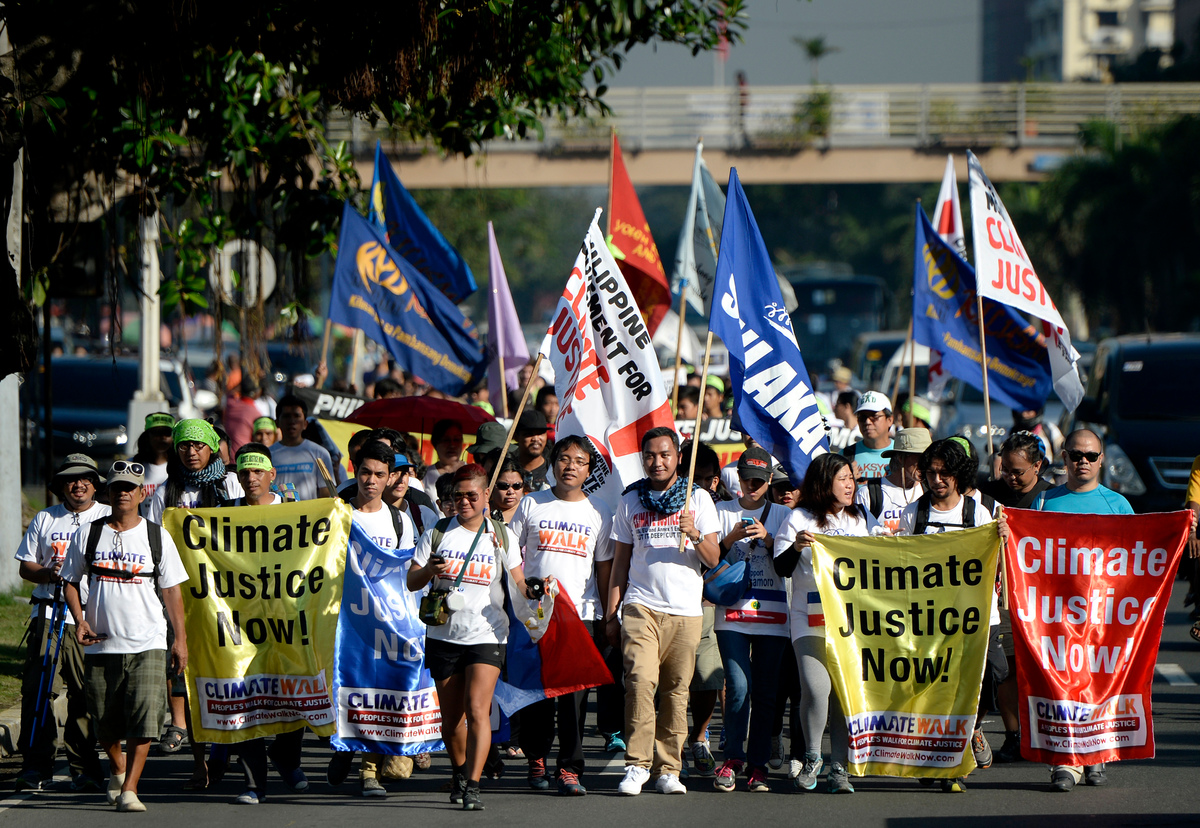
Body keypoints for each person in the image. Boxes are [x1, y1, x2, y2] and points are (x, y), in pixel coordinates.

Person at [61, 462, 189, 812]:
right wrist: (80, 620)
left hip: (148, 641)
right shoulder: (88, 534)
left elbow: (173, 591)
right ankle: (117, 769)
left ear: (141, 493)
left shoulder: (156, 536)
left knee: (145, 716)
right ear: (108, 491)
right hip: (100, 642)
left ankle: (130, 789)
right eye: (117, 487)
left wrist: (180, 640)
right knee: (103, 724)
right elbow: (70, 581)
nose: (123, 493)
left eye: (130, 487)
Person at [606, 427, 721, 796]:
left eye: (665, 455)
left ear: (678, 458)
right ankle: (637, 765)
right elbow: (620, 562)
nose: (657, 462)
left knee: (675, 690)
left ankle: (668, 769)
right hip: (642, 606)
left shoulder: (699, 500)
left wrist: (696, 534)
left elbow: (714, 559)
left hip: (686, 611)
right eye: (650, 456)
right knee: (639, 681)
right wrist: (613, 613)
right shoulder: (630, 501)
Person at [408, 464, 530, 811]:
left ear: (485, 497)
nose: (462, 501)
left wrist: (536, 590)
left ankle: (473, 784)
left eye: (470, 495)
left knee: (477, 709)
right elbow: (412, 581)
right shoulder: (437, 532)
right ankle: (461, 770)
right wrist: (430, 570)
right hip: (445, 634)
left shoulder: (500, 535)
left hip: (488, 633)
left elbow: (518, 580)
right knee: (451, 720)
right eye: (457, 495)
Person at [1030, 429, 1133, 793]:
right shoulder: (1044, 502)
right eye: (1076, 455)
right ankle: (1065, 761)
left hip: (1104, 618)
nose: (1083, 462)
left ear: (1102, 459)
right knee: (1062, 686)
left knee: (1098, 686)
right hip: (1056, 616)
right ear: (1064, 457)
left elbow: (1139, 563)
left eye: (1090, 456)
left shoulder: (1118, 506)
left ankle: (1096, 755)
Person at [510, 435, 614, 796]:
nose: (570, 466)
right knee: (538, 694)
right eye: (564, 459)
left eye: (579, 461)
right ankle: (536, 757)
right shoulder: (530, 505)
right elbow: (510, 558)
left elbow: (604, 570)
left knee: (574, 699)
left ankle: (570, 768)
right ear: (553, 464)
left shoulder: (600, 511)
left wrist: (605, 617)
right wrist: (522, 594)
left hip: (580, 616)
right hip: (536, 616)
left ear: (589, 470)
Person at [897, 438, 1001, 793]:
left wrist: (1001, 540)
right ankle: (946, 764)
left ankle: (972, 731)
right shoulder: (915, 514)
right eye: (931, 472)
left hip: (973, 619)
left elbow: (993, 565)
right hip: (929, 622)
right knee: (938, 690)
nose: (937, 479)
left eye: (945, 473)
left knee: (990, 677)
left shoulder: (978, 513)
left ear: (960, 475)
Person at [144, 418, 243, 783]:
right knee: (187, 672)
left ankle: (223, 748)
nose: (191, 453)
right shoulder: (164, 493)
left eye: (199, 446)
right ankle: (197, 756)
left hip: (230, 595)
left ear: (213, 448)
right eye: (184, 446)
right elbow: (154, 546)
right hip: (183, 596)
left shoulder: (231, 484)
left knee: (226, 670)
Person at [774, 453, 879, 795]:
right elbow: (781, 567)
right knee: (817, 688)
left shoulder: (857, 521)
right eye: (843, 478)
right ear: (824, 482)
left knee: (842, 696)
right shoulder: (799, 518)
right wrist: (796, 546)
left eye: (852, 478)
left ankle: (840, 767)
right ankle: (813, 756)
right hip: (809, 619)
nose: (850, 485)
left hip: (848, 624)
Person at [13, 455, 109, 792]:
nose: (78, 484)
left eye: (85, 478)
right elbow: (26, 566)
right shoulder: (44, 518)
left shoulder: (107, 518)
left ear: (96, 484)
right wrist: (48, 572)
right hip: (48, 614)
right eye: (70, 479)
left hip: (88, 616)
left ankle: (85, 768)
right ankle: (34, 766)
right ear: (59, 487)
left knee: (85, 692)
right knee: (38, 690)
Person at [225, 444, 308, 804]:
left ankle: (287, 758)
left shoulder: (294, 512)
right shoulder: (224, 513)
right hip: (239, 624)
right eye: (244, 472)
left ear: (273, 474)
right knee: (245, 696)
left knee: (293, 692)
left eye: (258, 471)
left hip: (287, 620)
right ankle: (254, 782)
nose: (251, 478)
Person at [711, 447, 790, 793]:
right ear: (737, 480)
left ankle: (758, 764)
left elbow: (792, 563)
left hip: (773, 614)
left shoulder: (785, 514)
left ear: (770, 480)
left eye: (759, 480)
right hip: (732, 613)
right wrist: (733, 538)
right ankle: (732, 758)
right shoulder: (721, 510)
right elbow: (709, 558)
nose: (752, 486)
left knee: (766, 692)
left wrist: (769, 539)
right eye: (747, 480)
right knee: (738, 687)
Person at [979, 430, 1052, 763]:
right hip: (1001, 595)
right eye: (1005, 469)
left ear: (1037, 466)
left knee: (1039, 667)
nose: (1009, 477)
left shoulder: (1050, 499)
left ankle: (1046, 731)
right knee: (1006, 667)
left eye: (1017, 471)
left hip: (1041, 597)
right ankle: (1013, 735)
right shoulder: (988, 496)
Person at [856, 427, 929, 534]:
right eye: (920, 458)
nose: (925, 464)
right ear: (901, 458)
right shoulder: (868, 494)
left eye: (928, 458)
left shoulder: (929, 492)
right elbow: (855, 536)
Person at [269, 394, 333, 500]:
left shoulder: (320, 453)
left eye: (296, 416)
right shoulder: (267, 455)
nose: (292, 421)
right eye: (286, 416)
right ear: (277, 423)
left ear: (305, 424)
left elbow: (325, 495)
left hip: (310, 516)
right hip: (277, 515)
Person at [844, 391, 894, 482]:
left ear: (889, 420)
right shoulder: (844, 457)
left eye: (874, 417)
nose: (867, 422)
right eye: (862, 417)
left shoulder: (903, 455)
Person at [133, 412, 174, 508]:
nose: (162, 437)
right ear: (147, 437)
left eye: (167, 433)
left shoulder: (180, 466)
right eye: (157, 433)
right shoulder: (133, 465)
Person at [421, 419, 466, 501]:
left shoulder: (472, 472)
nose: (452, 445)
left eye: (456, 440)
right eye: (446, 440)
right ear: (435, 443)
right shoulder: (424, 476)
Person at [515, 410, 551, 491]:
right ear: (516, 436)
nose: (536, 439)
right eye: (529, 434)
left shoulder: (554, 471)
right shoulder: (507, 469)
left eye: (540, 433)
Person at [490, 457, 525, 524]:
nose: (511, 492)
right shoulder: (480, 511)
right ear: (492, 485)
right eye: (504, 486)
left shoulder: (529, 512)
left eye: (517, 486)